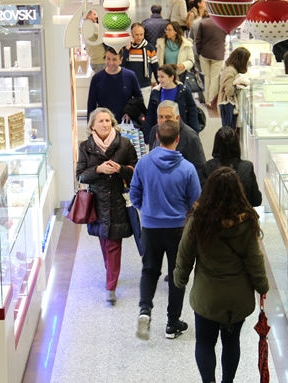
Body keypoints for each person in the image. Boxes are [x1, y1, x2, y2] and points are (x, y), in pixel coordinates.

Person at [174, 167, 268, 383]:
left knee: (205, 342)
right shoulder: (246, 222)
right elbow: (255, 261)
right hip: (238, 299)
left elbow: (184, 254)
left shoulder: (199, 220)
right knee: (232, 342)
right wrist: (262, 286)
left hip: (207, 297)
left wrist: (180, 279)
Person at [131, 120, 201, 341]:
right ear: (178, 140)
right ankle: (172, 323)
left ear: (157, 139)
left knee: (149, 270)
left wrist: (147, 209)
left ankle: (144, 311)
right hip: (177, 230)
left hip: (150, 227)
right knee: (176, 275)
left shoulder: (143, 164)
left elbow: (134, 193)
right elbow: (196, 202)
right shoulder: (187, 169)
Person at [76, 108, 139, 304]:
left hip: (118, 201)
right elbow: (81, 175)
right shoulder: (85, 147)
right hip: (97, 202)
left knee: (113, 243)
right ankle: (111, 274)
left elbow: (135, 171)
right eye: (101, 121)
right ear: (92, 126)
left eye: (108, 120)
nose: (105, 124)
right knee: (104, 241)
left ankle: (110, 286)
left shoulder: (125, 144)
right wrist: (98, 169)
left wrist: (120, 169)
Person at [148, 101, 206, 186]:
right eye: (160, 117)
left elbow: (199, 171)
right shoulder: (154, 131)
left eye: (168, 117)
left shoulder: (190, 137)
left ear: (177, 118)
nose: (164, 121)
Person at [201, 127, 262, 207]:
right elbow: (256, 200)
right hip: (242, 218)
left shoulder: (207, 168)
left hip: (214, 218)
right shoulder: (248, 167)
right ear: (236, 144)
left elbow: (203, 200)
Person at [87, 48, 143, 123]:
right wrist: (90, 127)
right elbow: (91, 105)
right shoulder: (97, 78)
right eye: (108, 59)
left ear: (121, 60)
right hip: (104, 124)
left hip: (125, 124)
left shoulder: (130, 75)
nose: (111, 62)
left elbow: (139, 98)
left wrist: (130, 112)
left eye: (114, 59)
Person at [146, 64, 199, 141]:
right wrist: (148, 135)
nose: (159, 80)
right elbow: (150, 114)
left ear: (171, 77)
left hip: (179, 132)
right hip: (161, 132)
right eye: (158, 76)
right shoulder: (155, 92)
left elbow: (192, 112)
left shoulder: (184, 91)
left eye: (162, 77)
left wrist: (195, 132)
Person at [195, 7, 227, 108]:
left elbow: (198, 40)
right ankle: (211, 100)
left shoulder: (203, 23)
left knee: (206, 77)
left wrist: (199, 52)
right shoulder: (223, 24)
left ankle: (206, 98)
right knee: (214, 78)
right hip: (218, 54)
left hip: (205, 53)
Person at [122, 22, 158, 104]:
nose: (139, 37)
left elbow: (155, 68)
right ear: (132, 34)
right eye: (136, 35)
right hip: (129, 86)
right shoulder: (125, 48)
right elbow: (121, 65)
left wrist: (161, 85)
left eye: (141, 34)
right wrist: (127, 49)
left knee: (144, 112)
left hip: (145, 86)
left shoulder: (149, 47)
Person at [218, 47, 251, 129]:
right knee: (231, 129)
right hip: (229, 106)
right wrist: (240, 86)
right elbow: (229, 91)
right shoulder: (230, 71)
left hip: (231, 105)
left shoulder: (231, 69)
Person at [84, 9, 107, 73]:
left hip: (94, 61)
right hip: (100, 62)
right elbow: (106, 36)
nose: (96, 16)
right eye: (94, 14)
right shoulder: (93, 26)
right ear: (88, 16)